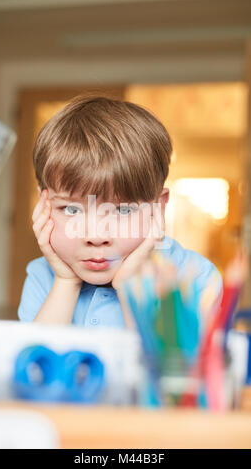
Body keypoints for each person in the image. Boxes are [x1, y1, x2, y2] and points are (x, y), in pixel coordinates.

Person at [18, 94, 222, 328]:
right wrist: (66, 282)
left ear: (159, 206)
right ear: (44, 206)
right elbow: (37, 362)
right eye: (71, 209)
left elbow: (163, 365)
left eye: (123, 211)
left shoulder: (194, 277)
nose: (96, 236)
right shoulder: (43, 274)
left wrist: (129, 286)